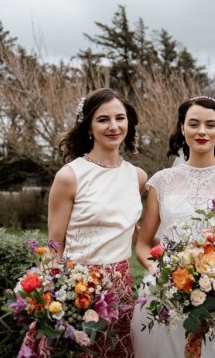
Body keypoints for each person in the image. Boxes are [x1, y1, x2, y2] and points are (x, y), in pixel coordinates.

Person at [20, 88, 147, 357]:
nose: (114, 126)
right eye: (103, 119)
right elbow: (54, 245)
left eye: (120, 118)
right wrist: (54, 297)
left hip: (121, 288)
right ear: (89, 126)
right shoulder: (70, 176)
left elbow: (127, 227)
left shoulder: (137, 176)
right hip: (78, 287)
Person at [131, 96, 215, 358]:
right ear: (182, 128)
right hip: (163, 291)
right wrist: (159, 272)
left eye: (210, 124)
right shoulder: (161, 182)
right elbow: (143, 243)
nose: (202, 131)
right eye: (194, 124)